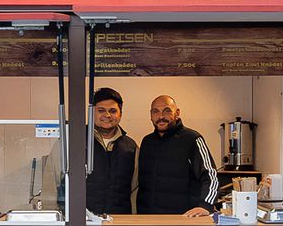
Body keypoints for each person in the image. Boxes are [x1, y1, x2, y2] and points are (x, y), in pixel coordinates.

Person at [137, 95, 219, 216]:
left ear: (177, 113)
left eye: (167, 111)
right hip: (148, 217)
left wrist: (206, 206)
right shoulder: (147, 142)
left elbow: (210, 175)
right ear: (151, 115)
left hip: (182, 218)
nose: (161, 117)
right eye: (155, 112)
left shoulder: (192, 139)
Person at [87, 87, 138, 215]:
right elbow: (51, 183)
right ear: (91, 112)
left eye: (113, 111)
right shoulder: (73, 142)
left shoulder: (131, 147)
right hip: (81, 223)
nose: (107, 115)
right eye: (101, 110)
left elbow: (135, 190)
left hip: (120, 224)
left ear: (120, 114)